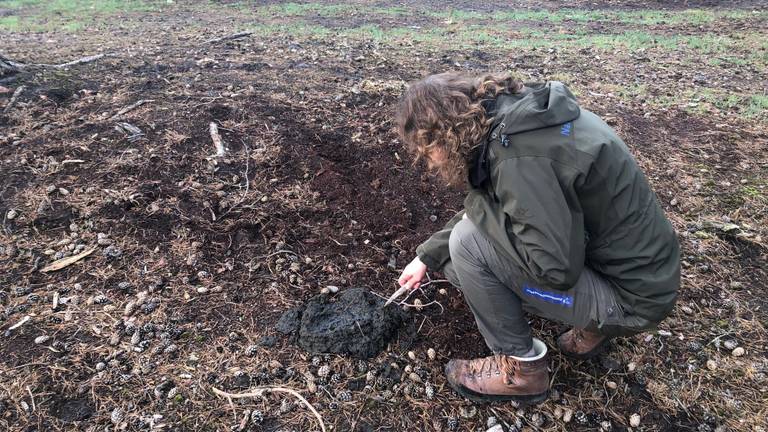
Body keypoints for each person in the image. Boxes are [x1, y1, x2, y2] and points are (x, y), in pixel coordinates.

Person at [394, 72, 680, 404]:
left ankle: (521, 371)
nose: (429, 163)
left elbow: (554, 269)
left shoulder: (517, 159)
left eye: (427, 152)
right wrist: (426, 256)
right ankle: (593, 325)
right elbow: (515, 206)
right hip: (643, 275)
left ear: (445, 135)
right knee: (453, 255)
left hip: (632, 301)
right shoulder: (517, 122)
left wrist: (475, 201)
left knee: (467, 247)